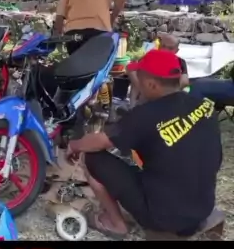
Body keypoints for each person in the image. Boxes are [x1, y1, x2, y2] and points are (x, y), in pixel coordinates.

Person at [67, 49, 222, 239]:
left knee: (92, 157)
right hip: (202, 209)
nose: (136, 83)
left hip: (162, 218)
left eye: (138, 78)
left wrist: (74, 145)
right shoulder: (203, 106)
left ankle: (116, 225)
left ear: (151, 84)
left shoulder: (145, 115)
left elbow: (98, 142)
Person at [53, 0, 127, 54]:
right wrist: (111, 19)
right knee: (97, 62)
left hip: (73, 34)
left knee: (77, 62)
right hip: (98, 31)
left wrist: (60, 35)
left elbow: (59, 18)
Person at [128, 33, 190, 106]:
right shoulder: (150, 57)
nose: (165, 50)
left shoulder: (180, 62)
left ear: (176, 50)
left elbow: (185, 84)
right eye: (163, 46)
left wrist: (184, 95)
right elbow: (131, 69)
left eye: (170, 48)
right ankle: (132, 107)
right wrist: (139, 85)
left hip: (168, 98)